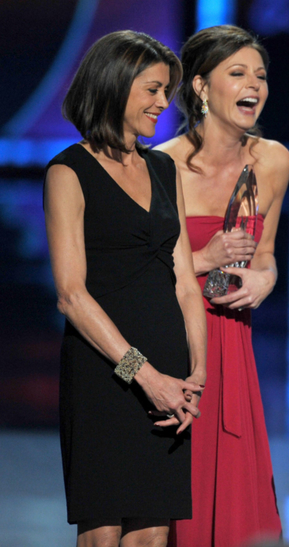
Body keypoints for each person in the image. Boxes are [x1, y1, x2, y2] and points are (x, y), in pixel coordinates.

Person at [44, 31, 206, 546]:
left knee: (153, 535)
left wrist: (196, 371)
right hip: (107, 374)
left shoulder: (163, 167)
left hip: (170, 374)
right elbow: (71, 295)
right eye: (153, 90)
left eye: (166, 92)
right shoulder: (69, 172)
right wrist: (146, 376)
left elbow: (184, 283)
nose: (164, 103)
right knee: (104, 532)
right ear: (115, 86)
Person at [157, 25, 289, 546]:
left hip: (234, 345)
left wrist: (263, 279)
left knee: (238, 507)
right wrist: (203, 258)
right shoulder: (159, 165)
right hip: (174, 345)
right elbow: (133, 278)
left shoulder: (273, 160)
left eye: (259, 74)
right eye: (237, 73)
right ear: (200, 86)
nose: (253, 84)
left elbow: (268, 257)